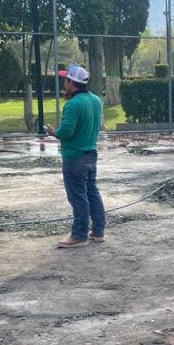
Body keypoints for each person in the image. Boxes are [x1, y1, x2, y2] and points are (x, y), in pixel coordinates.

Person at [45, 64, 106, 248]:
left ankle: (79, 236)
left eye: (66, 80)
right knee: (92, 192)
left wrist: (54, 132)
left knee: (78, 197)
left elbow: (67, 131)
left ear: (72, 83)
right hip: (90, 154)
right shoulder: (96, 100)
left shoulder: (72, 105)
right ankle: (98, 231)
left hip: (74, 157)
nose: (64, 83)